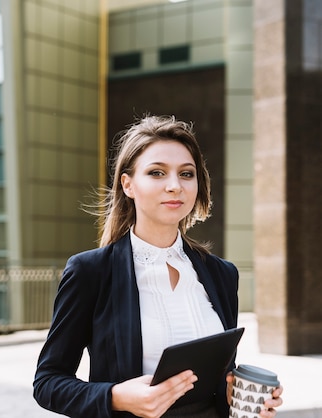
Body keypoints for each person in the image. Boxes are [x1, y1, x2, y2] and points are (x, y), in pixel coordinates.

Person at [33, 115, 283, 418]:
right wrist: (116, 396)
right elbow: (48, 383)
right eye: (156, 173)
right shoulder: (91, 272)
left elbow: (219, 375)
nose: (174, 186)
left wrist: (232, 394)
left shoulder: (222, 274)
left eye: (186, 174)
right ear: (128, 185)